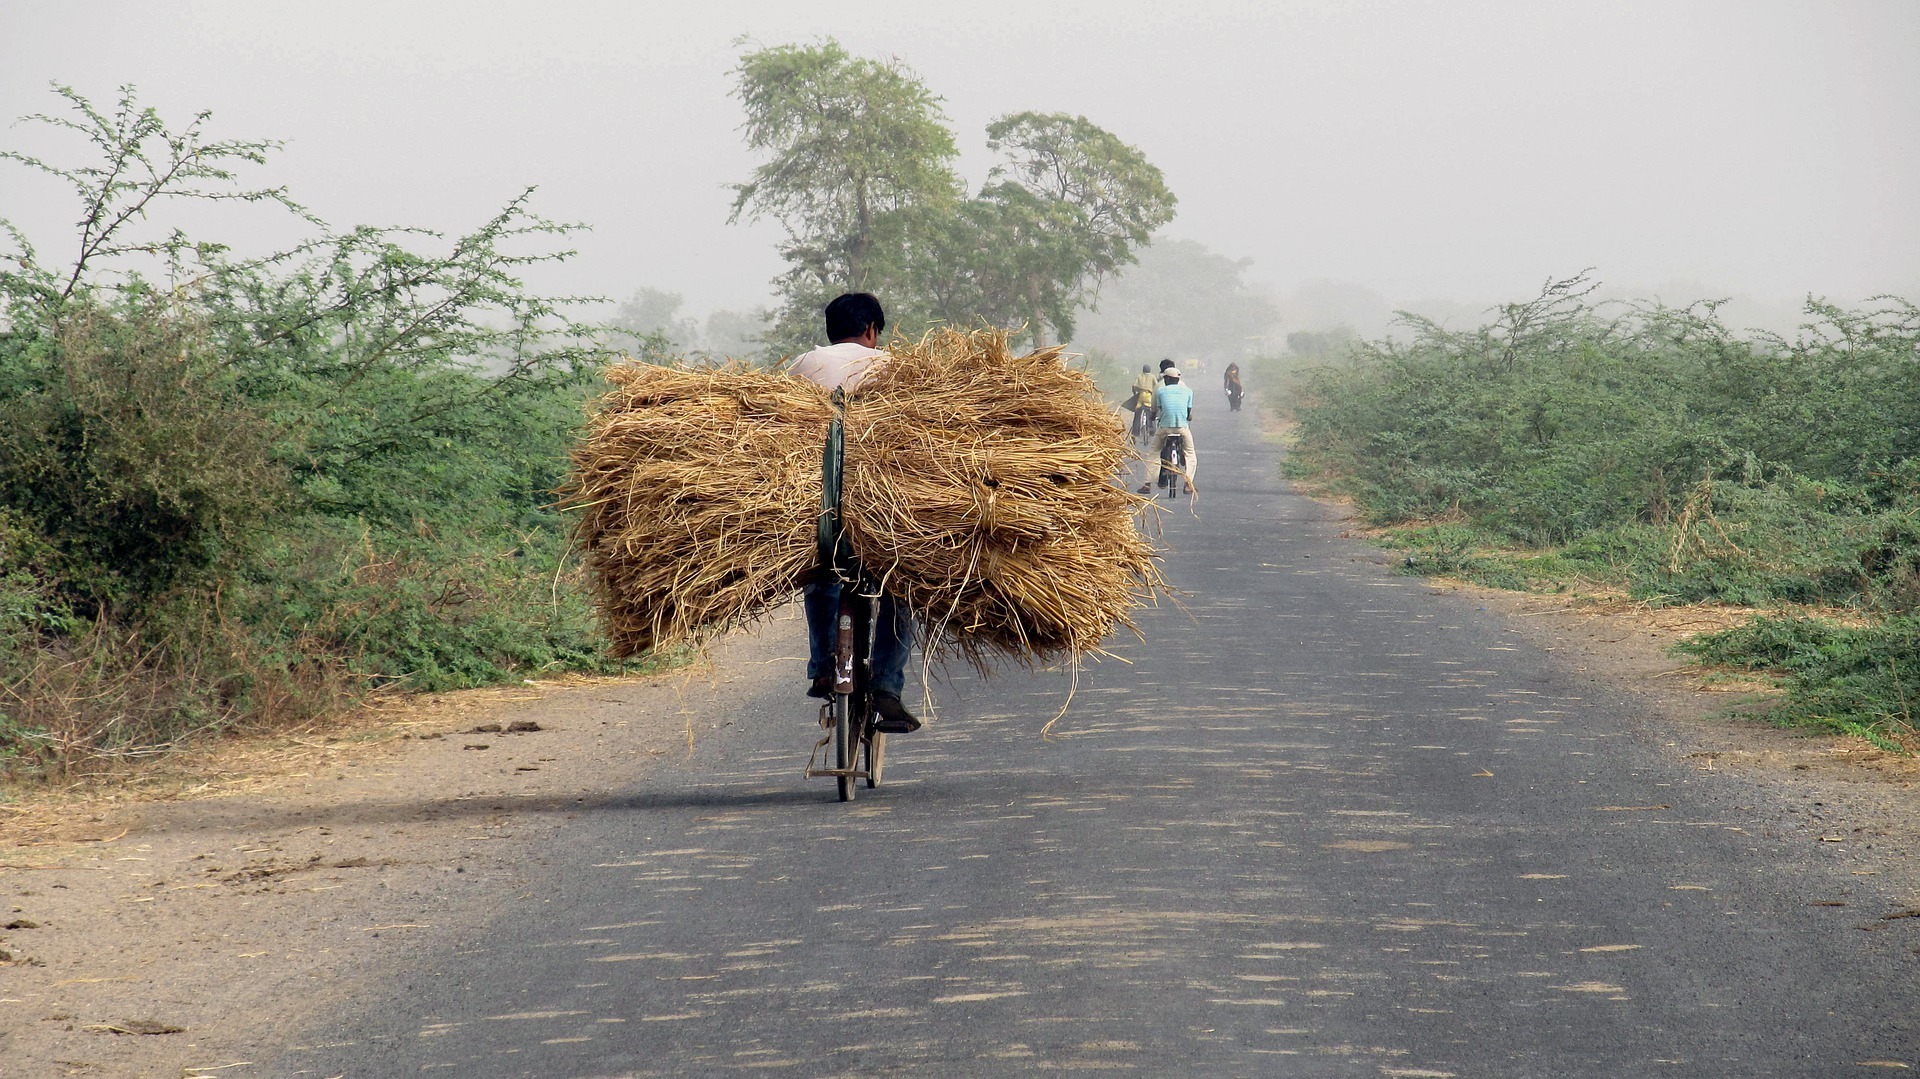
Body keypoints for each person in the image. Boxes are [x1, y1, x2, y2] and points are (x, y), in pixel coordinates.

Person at [789, 292, 921, 734]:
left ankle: (822, 666)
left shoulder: (802, 365)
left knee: (819, 575)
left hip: (814, 506)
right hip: (879, 510)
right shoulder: (889, 367)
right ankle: (887, 685)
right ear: (871, 331)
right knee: (900, 589)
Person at [1138, 366, 1197, 495]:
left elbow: (1158, 409)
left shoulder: (1161, 392)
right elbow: (1188, 414)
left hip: (1164, 428)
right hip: (1182, 428)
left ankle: (1147, 484)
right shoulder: (1188, 391)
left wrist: (1154, 417)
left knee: (1154, 452)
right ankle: (1188, 484)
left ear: (1167, 379)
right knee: (1190, 453)